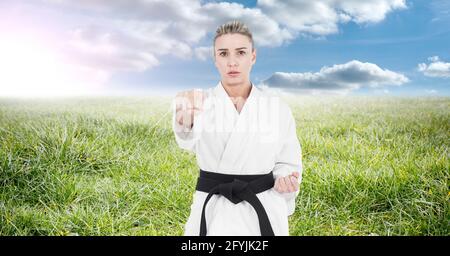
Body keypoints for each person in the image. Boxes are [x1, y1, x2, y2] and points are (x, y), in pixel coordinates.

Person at [172, 20, 302, 236]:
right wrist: (185, 116)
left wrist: (285, 179)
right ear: (215, 59)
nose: (232, 62)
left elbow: (288, 161)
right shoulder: (198, 101)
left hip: (262, 206)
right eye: (223, 54)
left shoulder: (277, 107)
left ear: (252, 56)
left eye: (240, 52)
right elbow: (186, 139)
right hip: (213, 207)